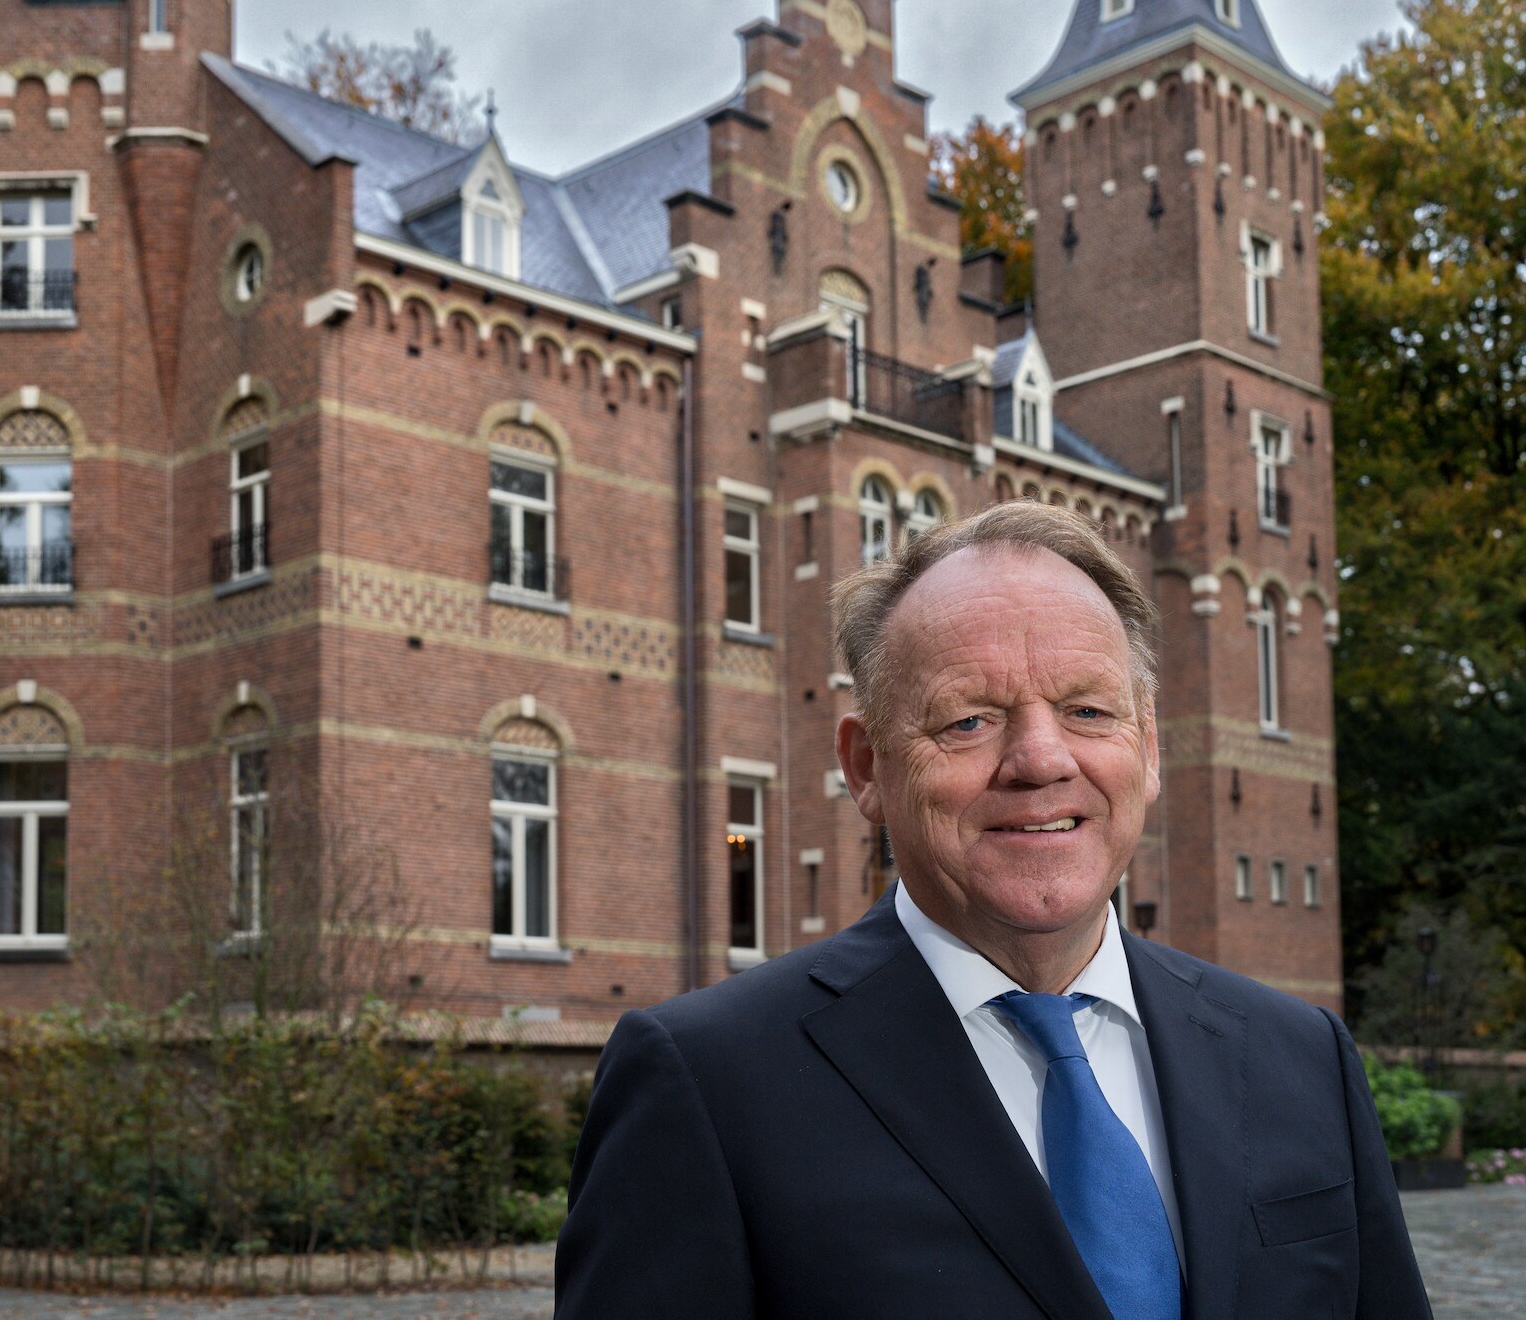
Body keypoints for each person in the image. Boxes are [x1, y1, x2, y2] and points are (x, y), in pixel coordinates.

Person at [555, 502, 1431, 1319]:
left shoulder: (1301, 1060)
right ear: (866, 768)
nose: (1041, 760)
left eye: (1088, 710)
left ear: (1149, 745)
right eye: (969, 721)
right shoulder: (706, 1083)